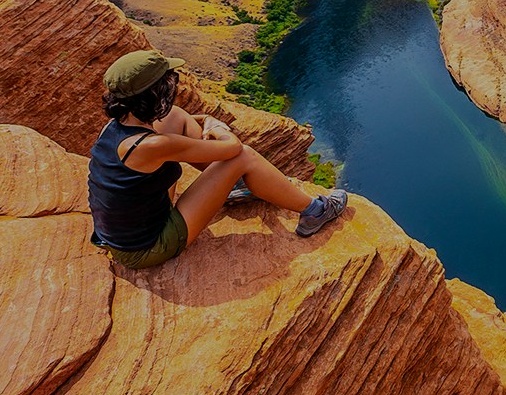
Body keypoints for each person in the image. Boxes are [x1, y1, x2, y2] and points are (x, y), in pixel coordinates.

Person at [88, 48, 347, 269]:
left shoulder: (113, 128)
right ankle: (316, 211)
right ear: (154, 93)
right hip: (147, 247)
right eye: (166, 81)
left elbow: (174, 127)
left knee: (176, 117)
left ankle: (229, 186)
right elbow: (233, 148)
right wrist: (217, 127)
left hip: (120, 233)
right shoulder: (153, 146)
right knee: (242, 157)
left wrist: (202, 120)